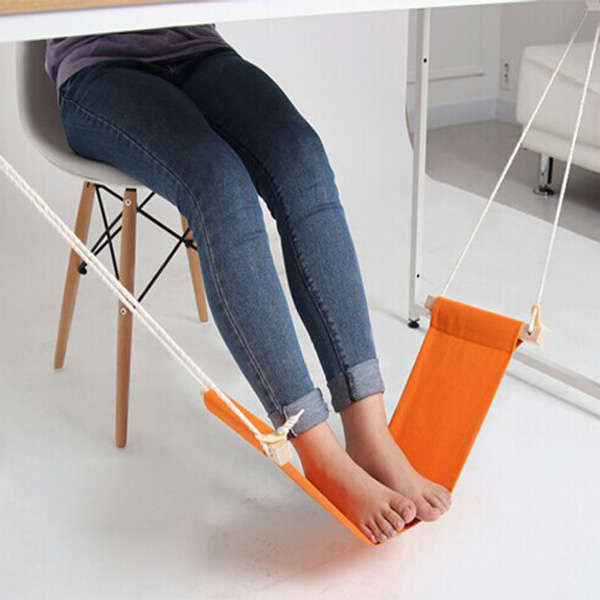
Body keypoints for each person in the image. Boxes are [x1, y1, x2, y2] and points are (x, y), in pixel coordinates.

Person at [46, 24, 451, 544]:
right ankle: (317, 452)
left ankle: (369, 431)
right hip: (99, 67)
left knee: (301, 158)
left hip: (196, 48)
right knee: (219, 183)